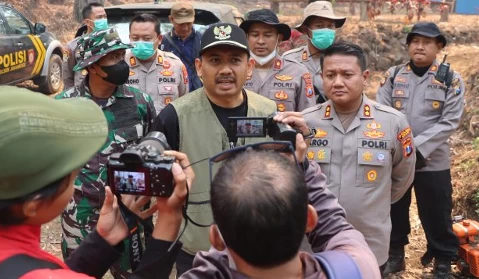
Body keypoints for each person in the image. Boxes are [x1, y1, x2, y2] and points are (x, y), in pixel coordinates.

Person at [0, 86, 194, 278]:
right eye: (72, 176)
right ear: (33, 204)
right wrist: (169, 221)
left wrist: (102, 241)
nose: (77, 180)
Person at [152, 23, 316, 274]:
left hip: (258, 249)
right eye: (215, 60)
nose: (225, 70)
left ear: (249, 67)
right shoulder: (175, 116)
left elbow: (288, 175)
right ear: (199, 66)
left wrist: (299, 157)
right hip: (197, 247)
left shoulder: (268, 113)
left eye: (235, 60)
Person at [181, 136, 381, 279]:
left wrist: (168, 221)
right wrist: (302, 167)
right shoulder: (359, 267)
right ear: (310, 219)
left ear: (215, 238)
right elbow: (335, 228)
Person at [301, 41, 416, 269]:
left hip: (369, 241)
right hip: (314, 243)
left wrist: (372, 203)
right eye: (330, 75)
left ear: (365, 76)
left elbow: (403, 177)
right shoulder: (305, 122)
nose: (338, 82)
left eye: (347, 74)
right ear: (321, 77)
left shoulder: (392, 122)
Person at [56, 28, 157, 277]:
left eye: (122, 56)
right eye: (112, 58)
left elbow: (153, 152)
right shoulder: (63, 106)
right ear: (91, 66)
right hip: (80, 214)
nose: (121, 63)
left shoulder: (140, 103)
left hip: (129, 214)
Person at [376, 22, 464, 279]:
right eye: (415, 41)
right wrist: (399, 149)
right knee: (393, 207)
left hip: (433, 159)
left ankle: (443, 259)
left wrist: (417, 148)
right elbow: (383, 114)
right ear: (408, 46)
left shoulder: (450, 78)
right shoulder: (393, 75)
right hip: (396, 160)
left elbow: (450, 120)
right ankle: (395, 255)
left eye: (427, 42)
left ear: (439, 46)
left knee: (436, 209)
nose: (420, 46)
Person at [240, 8, 316, 112]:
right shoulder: (237, 70)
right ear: (247, 37)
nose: (261, 41)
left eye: (267, 35)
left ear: (279, 38)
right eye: (255, 35)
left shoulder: (298, 72)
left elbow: (309, 117)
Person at [282, 1, 346, 104]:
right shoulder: (290, 59)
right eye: (319, 26)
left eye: (330, 26)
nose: (326, 31)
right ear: (305, 30)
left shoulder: (345, 59)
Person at [125, 13, 188, 114]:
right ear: (129, 37)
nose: (140, 43)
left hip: (165, 128)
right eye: (135, 38)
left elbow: (184, 101)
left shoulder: (175, 65)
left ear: (159, 39)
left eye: (147, 39)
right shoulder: (119, 63)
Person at [63, 2, 107, 89]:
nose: (104, 20)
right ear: (87, 21)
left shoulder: (112, 41)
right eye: (99, 17)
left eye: (105, 16)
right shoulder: (71, 47)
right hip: (82, 97)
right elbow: (67, 76)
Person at [160, 2, 203, 91]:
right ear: (171, 19)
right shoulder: (162, 42)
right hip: (171, 93)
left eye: (188, 23)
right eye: (181, 24)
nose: (185, 28)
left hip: (198, 94)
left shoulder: (203, 40)